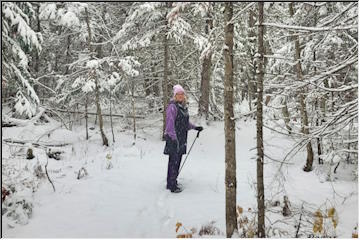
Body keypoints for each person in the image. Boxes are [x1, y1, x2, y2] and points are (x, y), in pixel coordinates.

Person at [163, 84, 203, 193]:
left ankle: (173, 181)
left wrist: (195, 127)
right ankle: (171, 185)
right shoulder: (172, 107)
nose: (180, 96)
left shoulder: (183, 107)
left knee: (177, 161)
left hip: (181, 138)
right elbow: (170, 125)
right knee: (173, 161)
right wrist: (173, 138)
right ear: (175, 95)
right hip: (174, 139)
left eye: (182, 94)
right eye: (178, 94)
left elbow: (184, 124)